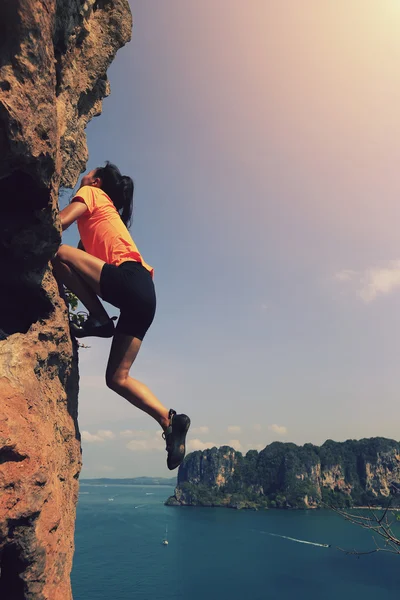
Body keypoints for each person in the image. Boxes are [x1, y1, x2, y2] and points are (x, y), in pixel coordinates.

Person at [53, 161, 190, 470]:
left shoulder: (90, 193)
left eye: (88, 174)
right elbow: (83, 264)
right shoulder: (103, 216)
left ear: (97, 182)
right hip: (144, 295)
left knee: (55, 251)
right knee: (117, 378)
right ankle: (170, 422)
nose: (82, 176)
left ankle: (100, 320)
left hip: (129, 281)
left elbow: (56, 225)